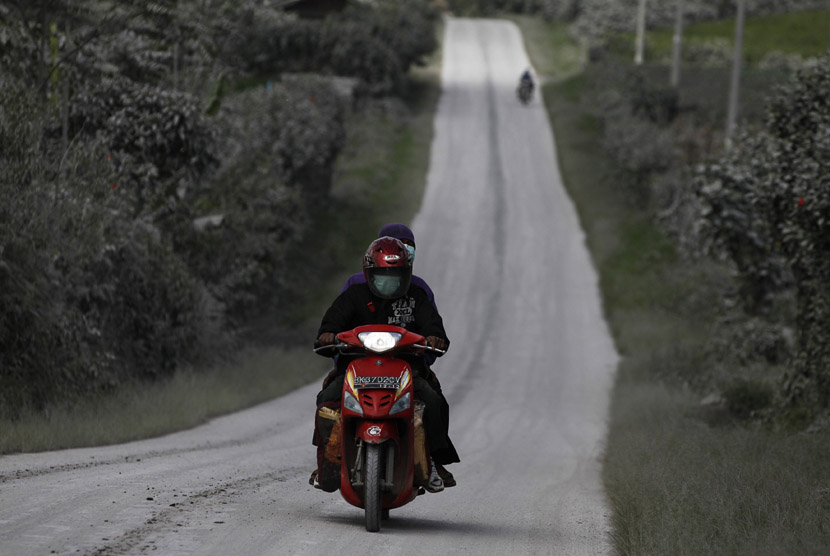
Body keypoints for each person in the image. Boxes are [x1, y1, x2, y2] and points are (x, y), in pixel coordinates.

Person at [313, 237, 452, 492]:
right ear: (368, 273)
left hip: (406, 369)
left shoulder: (416, 297)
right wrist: (328, 335)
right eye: (382, 276)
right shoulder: (353, 296)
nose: (390, 281)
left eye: (396, 275)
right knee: (327, 398)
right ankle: (328, 461)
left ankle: (432, 461)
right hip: (356, 367)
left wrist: (435, 337)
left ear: (407, 274)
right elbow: (331, 322)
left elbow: (434, 326)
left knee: (433, 401)